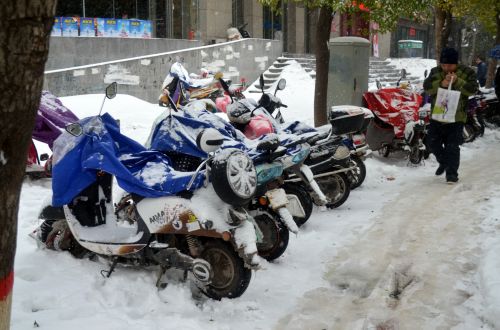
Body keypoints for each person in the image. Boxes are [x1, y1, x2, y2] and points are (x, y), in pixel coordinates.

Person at [423, 47, 478, 183]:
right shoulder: (435, 72)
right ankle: (444, 162)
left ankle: (452, 174)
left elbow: (473, 90)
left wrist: (458, 81)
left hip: (456, 117)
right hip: (438, 115)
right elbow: (427, 87)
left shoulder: (467, 72)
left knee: (452, 146)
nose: (446, 68)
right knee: (432, 143)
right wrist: (442, 83)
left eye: (449, 65)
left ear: (456, 63)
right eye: (444, 65)